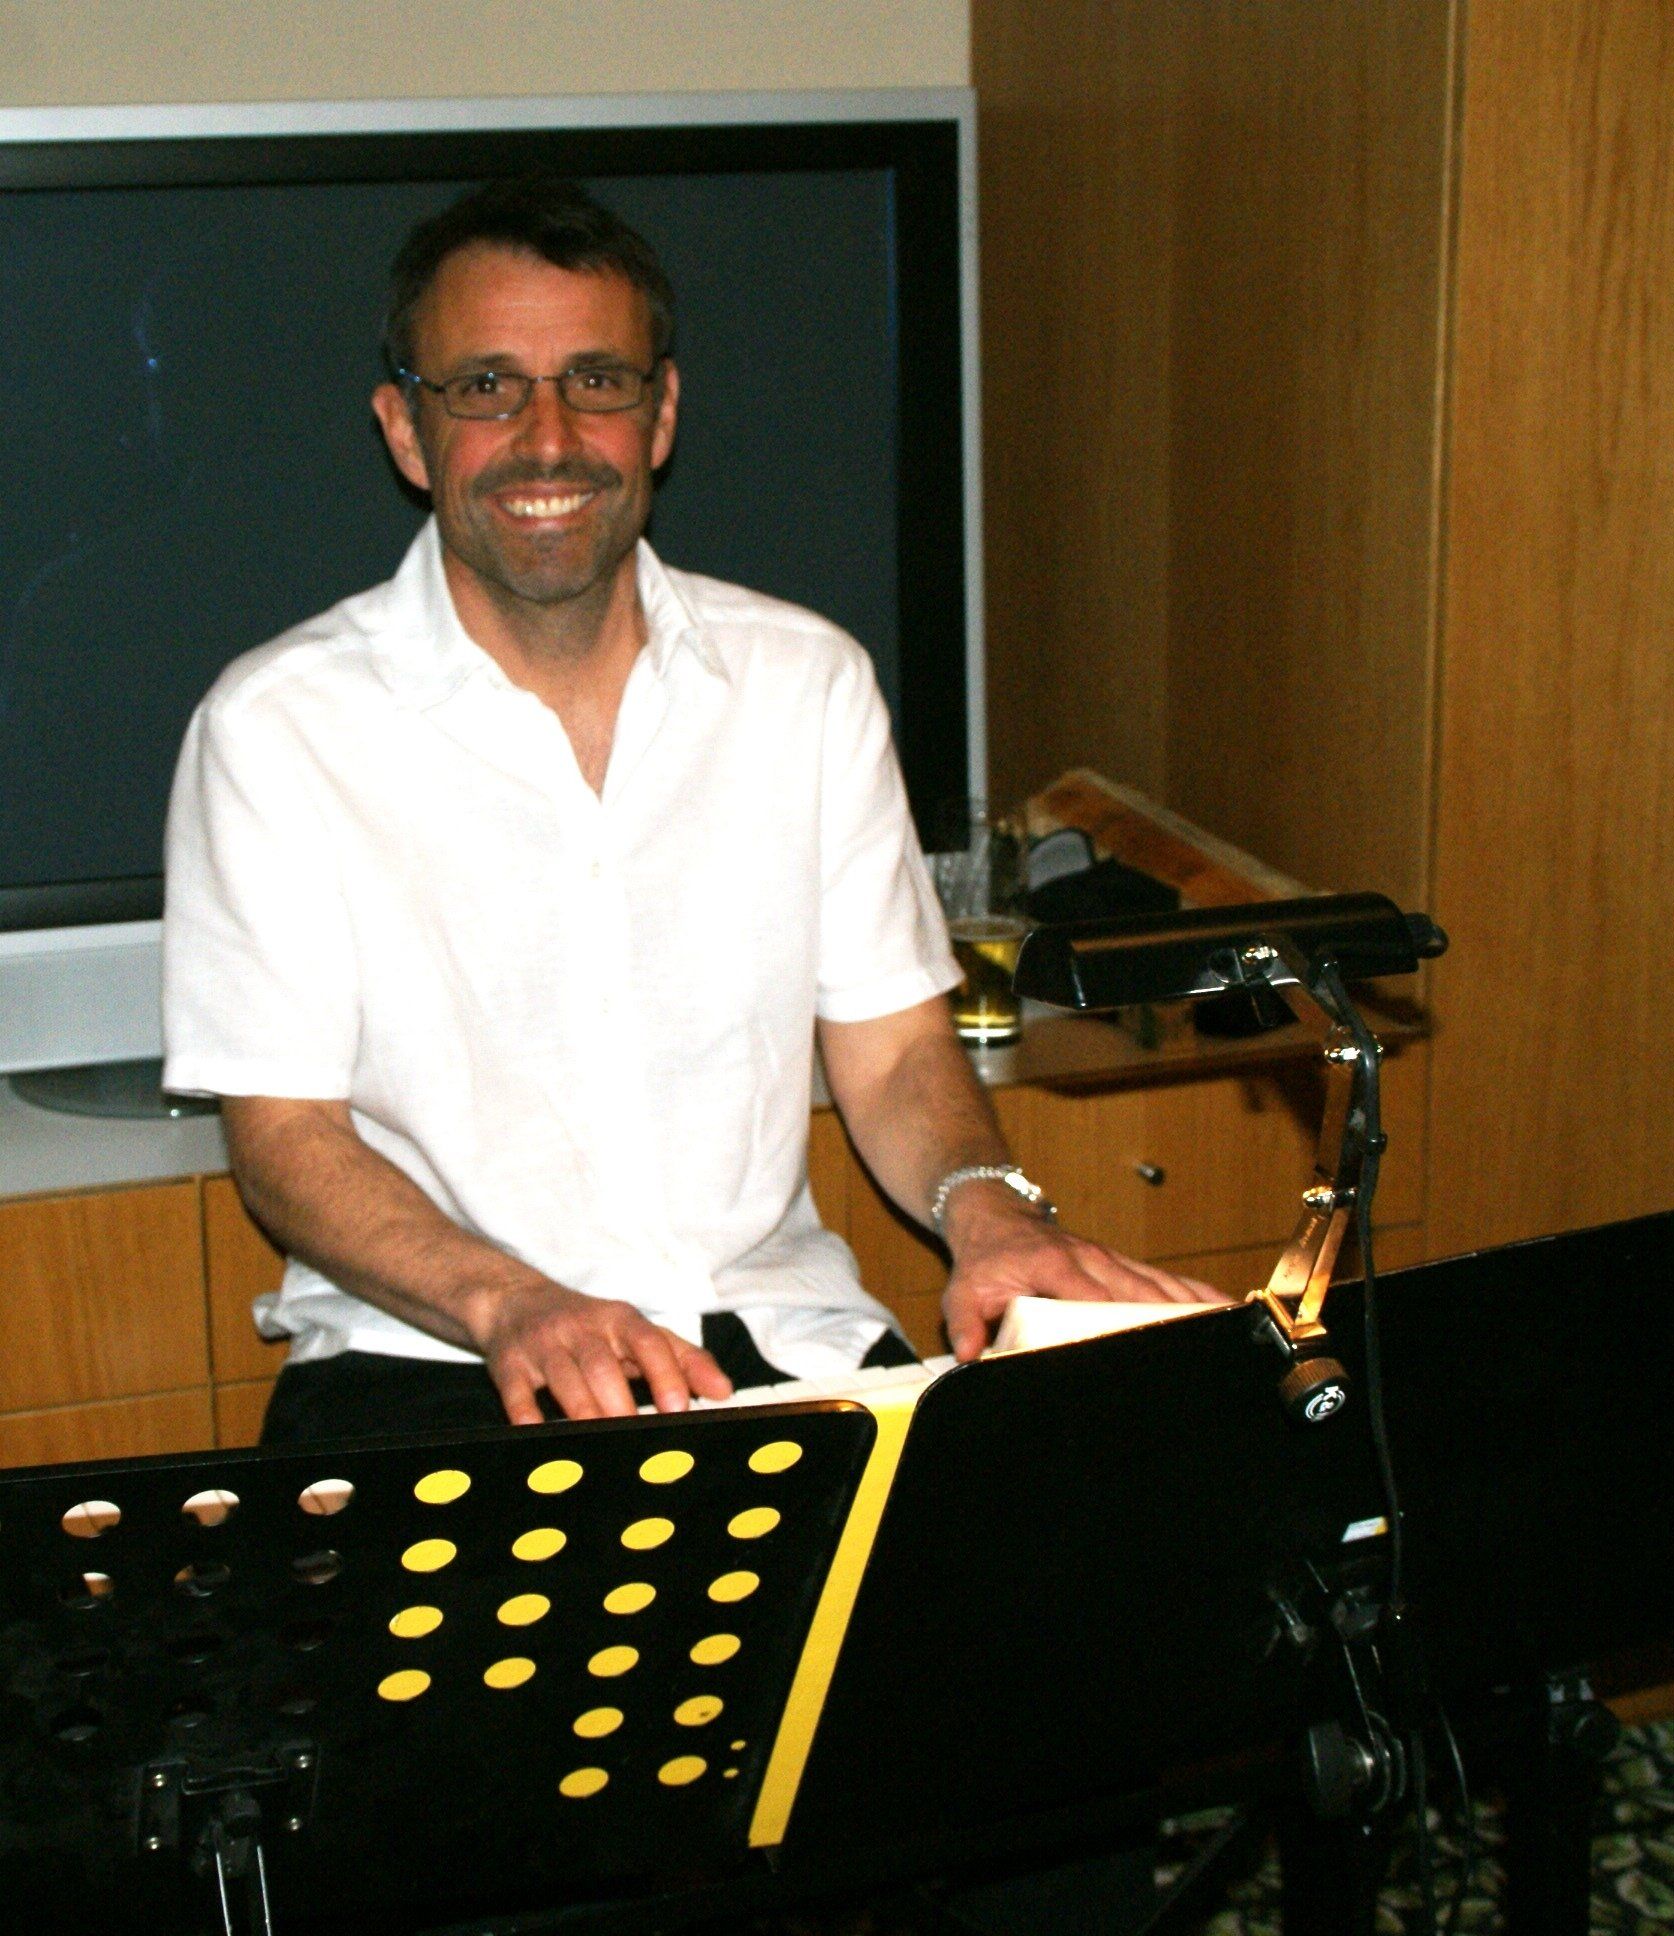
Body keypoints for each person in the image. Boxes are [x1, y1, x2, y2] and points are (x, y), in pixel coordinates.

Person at [162, 179, 1213, 1443]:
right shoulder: (275, 727)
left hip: (779, 1341)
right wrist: (511, 1301)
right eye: (486, 386)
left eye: (595, 381)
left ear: (659, 414)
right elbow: (282, 1137)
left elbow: (891, 1051)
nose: (548, 437)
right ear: (406, 430)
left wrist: (992, 1211)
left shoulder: (807, 681)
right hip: (433, 1355)